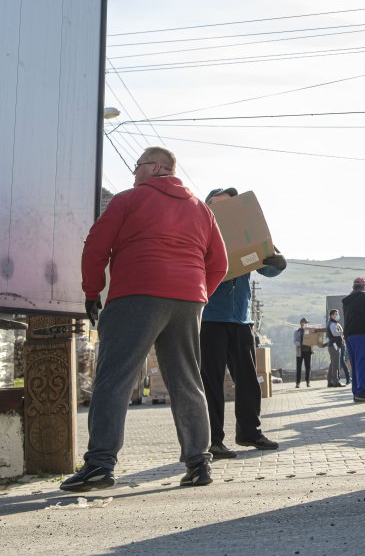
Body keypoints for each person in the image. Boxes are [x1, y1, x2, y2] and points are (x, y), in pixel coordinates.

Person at [62, 146, 226, 491]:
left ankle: (99, 465)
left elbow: (95, 246)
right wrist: (197, 295)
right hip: (187, 299)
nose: (133, 173)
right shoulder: (201, 209)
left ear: (155, 167)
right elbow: (220, 263)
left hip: (137, 293)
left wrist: (93, 292)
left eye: (137, 166)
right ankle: (199, 464)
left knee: (114, 379)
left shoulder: (128, 201)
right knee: (187, 381)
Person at [199, 187, 287, 459]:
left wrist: (278, 262)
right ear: (210, 207)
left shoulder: (245, 231)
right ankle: (213, 440)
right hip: (210, 318)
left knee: (248, 380)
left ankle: (249, 432)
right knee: (211, 382)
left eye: (233, 204)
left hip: (241, 319)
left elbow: (266, 264)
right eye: (222, 205)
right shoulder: (200, 232)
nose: (230, 210)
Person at [325, 310, 349, 387]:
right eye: (336, 314)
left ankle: (330, 382)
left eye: (337, 313)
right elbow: (335, 333)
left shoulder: (333, 323)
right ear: (332, 316)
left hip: (333, 346)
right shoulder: (332, 324)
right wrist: (344, 332)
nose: (338, 315)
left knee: (332, 364)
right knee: (335, 364)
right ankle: (336, 382)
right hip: (334, 346)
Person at [293, 318, 313, 388]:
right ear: (301, 323)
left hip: (308, 352)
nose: (307, 324)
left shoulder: (309, 331)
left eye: (307, 323)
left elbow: (312, 339)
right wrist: (301, 343)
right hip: (300, 352)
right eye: (305, 323)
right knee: (299, 367)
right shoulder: (297, 331)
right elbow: (295, 341)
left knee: (308, 367)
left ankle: (308, 382)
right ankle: (298, 383)